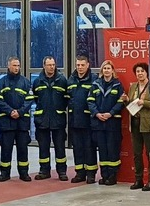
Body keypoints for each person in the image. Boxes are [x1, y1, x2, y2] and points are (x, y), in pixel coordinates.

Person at [0, 56, 33, 182]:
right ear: (8, 66)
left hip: (22, 123)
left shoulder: (25, 82)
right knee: (6, 149)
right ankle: (4, 173)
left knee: (23, 149)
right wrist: (10, 111)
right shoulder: (2, 82)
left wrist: (20, 112)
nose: (16, 68)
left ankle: (24, 173)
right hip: (7, 122)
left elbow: (29, 99)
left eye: (18, 65)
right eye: (14, 65)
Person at [31, 56, 69, 181]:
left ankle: (62, 171)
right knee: (43, 147)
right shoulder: (37, 81)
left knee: (60, 147)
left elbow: (66, 99)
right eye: (49, 65)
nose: (51, 67)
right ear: (44, 66)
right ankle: (44, 170)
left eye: (53, 65)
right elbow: (36, 99)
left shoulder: (62, 80)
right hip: (42, 120)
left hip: (58, 120)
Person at [88, 60, 125, 186]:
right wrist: (97, 114)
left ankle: (112, 176)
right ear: (101, 71)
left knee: (112, 150)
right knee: (102, 151)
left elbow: (121, 102)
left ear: (113, 71)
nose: (107, 71)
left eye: (109, 68)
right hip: (99, 123)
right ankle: (104, 175)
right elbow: (90, 102)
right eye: (104, 68)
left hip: (112, 123)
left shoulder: (118, 85)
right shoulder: (95, 85)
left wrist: (111, 113)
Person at [126, 62, 150, 191]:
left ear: (147, 72)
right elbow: (131, 103)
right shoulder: (133, 86)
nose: (139, 73)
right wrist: (126, 100)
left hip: (147, 124)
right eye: (137, 72)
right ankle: (138, 179)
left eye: (142, 71)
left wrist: (144, 103)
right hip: (134, 123)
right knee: (136, 153)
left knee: (149, 153)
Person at [67, 56, 97, 184]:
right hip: (74, 121)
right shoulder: (71, 79)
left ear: (88, 65)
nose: (79, 67)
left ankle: (91, 174)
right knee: (77, 148)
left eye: (82, 65)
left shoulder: (94, 80)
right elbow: (68, 98)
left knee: (89, 148)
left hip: (88, 121)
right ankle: (80, 173)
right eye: (78, 65)